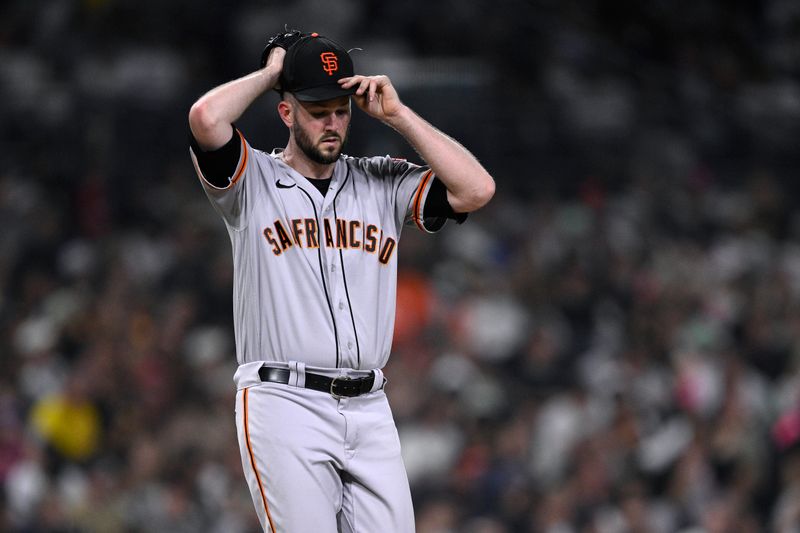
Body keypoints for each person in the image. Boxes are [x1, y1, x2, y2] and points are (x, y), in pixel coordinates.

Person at [187, 29, 494, 532]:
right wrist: (271, 74)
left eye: (341, 109)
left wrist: (398, 116)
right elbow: (205, 118)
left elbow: (476, 188)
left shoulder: (380, 180)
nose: (332, 122)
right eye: (317, 109)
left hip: (370, 406)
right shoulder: (253, 181)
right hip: (285, 403)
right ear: (287, 112)